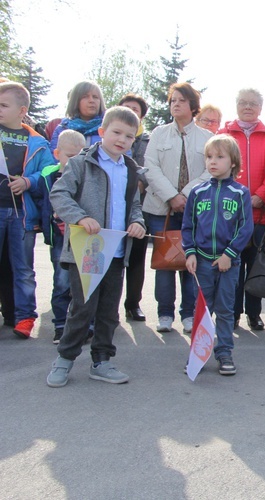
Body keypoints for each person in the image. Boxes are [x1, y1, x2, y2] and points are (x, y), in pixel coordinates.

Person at [46, 106, 146, 387]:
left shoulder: (130, 169)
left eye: (129, 136)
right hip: (86, 252)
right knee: (82, 308)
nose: (122, 140)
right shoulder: (80, 163)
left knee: (108, 311)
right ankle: (64, 360)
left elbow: (134, 207)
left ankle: (102, 361)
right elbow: (59, 194)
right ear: (101, 132)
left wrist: (137, 223)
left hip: (116, 253)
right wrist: (80, 217)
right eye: (116, 132)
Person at [143, 82, 212, 335]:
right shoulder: (159, 133)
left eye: (182, 100)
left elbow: (209, 171)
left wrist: (185, 195)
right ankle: (164, 314)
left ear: (193, 106)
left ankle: (188, 313)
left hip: (194, 211)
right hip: (162, 209)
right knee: (165, 262)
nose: (176, 104)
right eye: (173, 100)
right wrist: (171, 196)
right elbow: (150, 167)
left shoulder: (207, 138)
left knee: (190, 262)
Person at [182, 134, 253, 376]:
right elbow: (188, 226)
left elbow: (245, 228)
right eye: (209, 157)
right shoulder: (197, 192)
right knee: (202, 308)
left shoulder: (240, 193)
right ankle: (198, 353)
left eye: (220, 157)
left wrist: (228, 255)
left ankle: (224, 352)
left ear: (232, 161)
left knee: (225, 309)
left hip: (228, 263)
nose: (213, 161)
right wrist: (190, 252)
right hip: (201, 260)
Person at [217, 88, 265, 332]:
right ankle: (232, 313)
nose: (248, 107)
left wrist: (261, 195)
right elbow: (218, 167)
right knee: (232, 264)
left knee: (255, 265)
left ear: (260, 108)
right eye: (243, 102)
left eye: (253, 103)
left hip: (259, 212)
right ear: (236, 105)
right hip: (229, 213)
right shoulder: (224, 133)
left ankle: (254, 314)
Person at [0, 82, 55, 338]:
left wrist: (27, 181)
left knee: (23, 268)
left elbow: (48, 172)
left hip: (22, 214)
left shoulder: (38, 142)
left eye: (3, 105)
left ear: (22, 110)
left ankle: (25, 318)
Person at [39, 129, 86, 343]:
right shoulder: (48, 178)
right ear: (57, 153)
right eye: (70, 156)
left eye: (80, 156)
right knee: (61, 283)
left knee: (83, 285)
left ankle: (83, 326)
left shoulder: (87, 178)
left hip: (83, 239)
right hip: (59, 240)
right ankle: (60, 325)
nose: (75, 161)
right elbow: (41, 204)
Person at [118, 93, 150, 322]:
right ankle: (108, 307)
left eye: (135, 109)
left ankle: (133, 304)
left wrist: (140, 182)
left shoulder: (148, 140)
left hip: (138, 205)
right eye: (126, 108)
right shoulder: (113, 137)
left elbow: (150, 168)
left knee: (136, 259)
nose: (131, 112)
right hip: (112, 205)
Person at [50, 81, 107, 150]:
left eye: (95, 97)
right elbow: (56, 157)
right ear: (75, 101)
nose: (91, 100)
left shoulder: (109, 128)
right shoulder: (62, 129)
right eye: (85, 97)